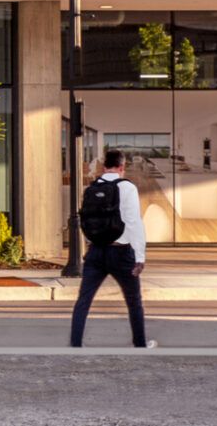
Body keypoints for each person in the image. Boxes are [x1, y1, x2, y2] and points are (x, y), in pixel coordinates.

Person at [69, 148, 157, 349]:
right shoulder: (127, 188)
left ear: (103, 166)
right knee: (133, 301)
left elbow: (88, 221)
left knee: (84, 300)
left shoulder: (92, 187)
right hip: (121, 252)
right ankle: (140, 344)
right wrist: (140, 257)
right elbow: (134, 222)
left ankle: (75, 345)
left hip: (96, 251)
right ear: (122, 166)